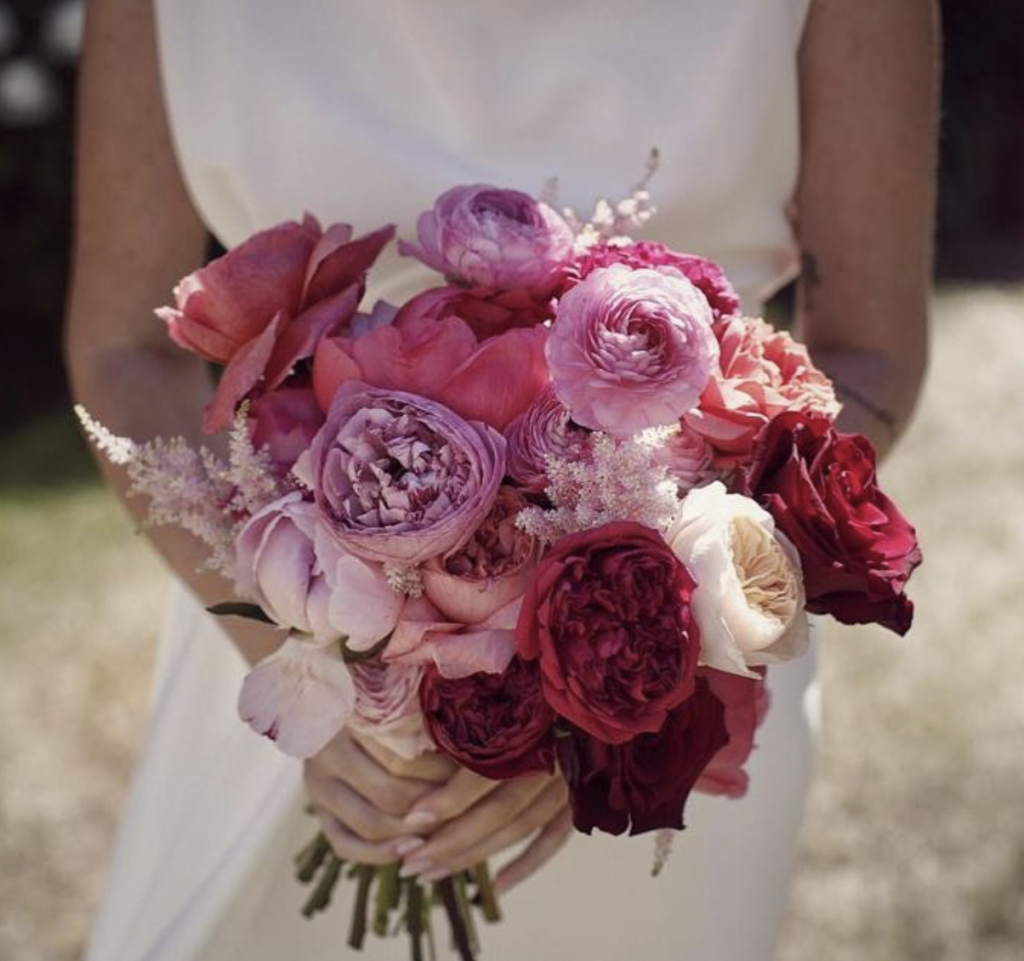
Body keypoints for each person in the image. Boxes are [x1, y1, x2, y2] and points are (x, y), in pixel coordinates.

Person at [66, 1, 937, 959]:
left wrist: (598, 692)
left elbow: (869, 348)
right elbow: (121, 348)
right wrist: (332, 657)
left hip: (671, 672)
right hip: (287, 660)